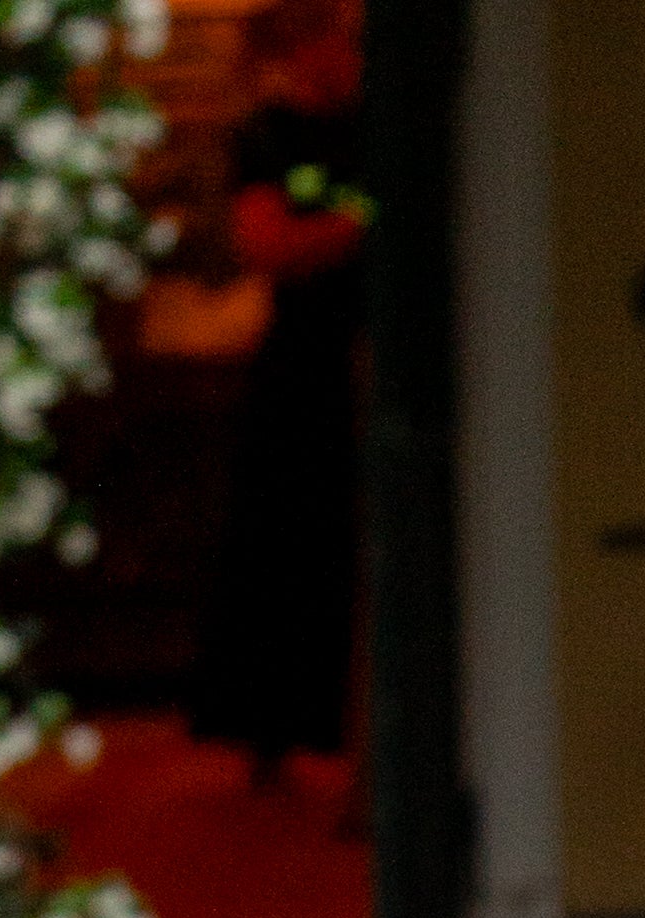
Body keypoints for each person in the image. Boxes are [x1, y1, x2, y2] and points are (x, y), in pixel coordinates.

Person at [186, 0, 370, 791]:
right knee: (282, 540)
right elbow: (269, 243)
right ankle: (268, 732)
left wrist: (333, 226)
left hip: (376, 352)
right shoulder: (267, 135)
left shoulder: (381, 130)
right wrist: (360, 223)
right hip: (303, 361)